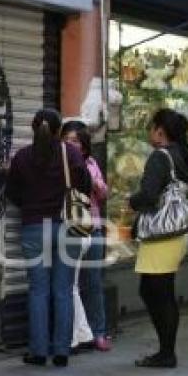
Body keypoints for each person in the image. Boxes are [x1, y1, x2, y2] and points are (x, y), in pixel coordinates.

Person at [6, 108, 90, 368]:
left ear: (33, 129)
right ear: (57, 131)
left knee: (38, 291)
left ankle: (39, 351)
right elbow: (85, 187)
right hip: (67, 228)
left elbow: (13, 193)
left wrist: (32, 206)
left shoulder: (22, 158)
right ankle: (62, 351)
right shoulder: (71, 154)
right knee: (63, 290)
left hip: (34, 229)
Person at [130, 108, 188, 368]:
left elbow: (148, 195)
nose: (150, 131)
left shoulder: (160, 157)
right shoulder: (182, 154)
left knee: (156, 292)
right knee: (159, 291)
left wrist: (132, 201)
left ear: (161, 131)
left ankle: (166, 353)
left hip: (161, 234)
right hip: (175, 233)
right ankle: (165, 351)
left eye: (152, 126)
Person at [61, 120, 111, 352]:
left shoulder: (90, 163)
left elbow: (103, 193)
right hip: (69, 229)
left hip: (93, 227)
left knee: (93, 283)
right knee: (69, 285)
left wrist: (92, 181)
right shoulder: (58, 164)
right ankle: (75, 335)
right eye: (67, 140)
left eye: (75, 141)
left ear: (83, 145)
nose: (71, 145)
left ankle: (98, 332)